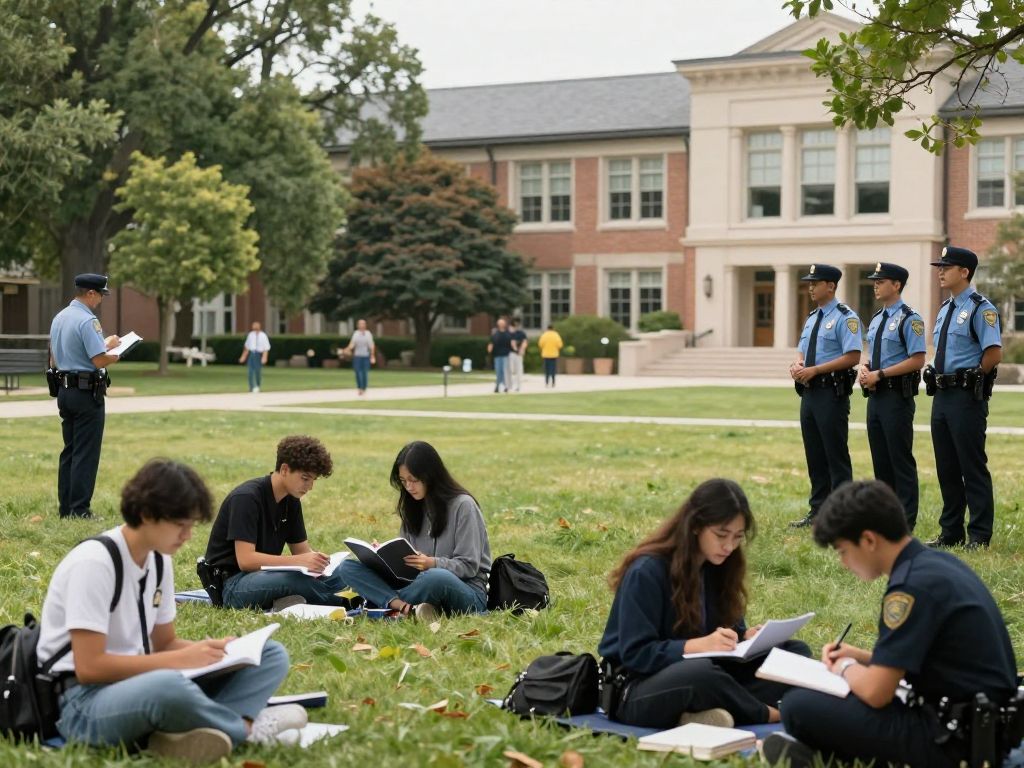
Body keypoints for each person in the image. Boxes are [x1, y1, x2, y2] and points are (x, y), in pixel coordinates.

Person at [36, 458, 307, 764]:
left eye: (191, 525)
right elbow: (89, 667)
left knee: (271, 655)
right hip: (82, 703)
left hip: (138, 684)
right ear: (147, 514)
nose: (188, 536)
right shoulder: (94, 563)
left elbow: (164, 644)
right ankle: (246, 729)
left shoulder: (158, 560)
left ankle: (189, 732)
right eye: (181, 525)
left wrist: (210, 651)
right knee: (166, 685)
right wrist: (178, 660)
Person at [762, 480, 1017, 768]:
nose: (844, 563)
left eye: (843, 550)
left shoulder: (909, 588)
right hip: (979, 725)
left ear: (869, 540)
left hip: (951, 740)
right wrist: (863, 658)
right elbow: (929, 662)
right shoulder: (936, 565)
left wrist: (845, 667)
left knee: (799, 706)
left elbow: (876, 693)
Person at [598, 478, 811, 730]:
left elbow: (725, 634)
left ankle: (704, 712)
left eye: (737, 537)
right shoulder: (647, 571)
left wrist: (745, 637)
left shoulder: (720, 565)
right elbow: (637, 654)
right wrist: (697, 646)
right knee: (701, 675)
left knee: (793, 652)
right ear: (696, 525)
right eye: (721, 535)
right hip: (637, 688)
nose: (729, 546)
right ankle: (766, 714)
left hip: (707, 671)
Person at [338, 440, 491, 621]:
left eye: (413, 480)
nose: (408, 487)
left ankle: (382, 603)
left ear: (431, 476)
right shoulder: (413, 506)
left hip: (464, 591)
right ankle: (405, 608)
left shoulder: (463, 506)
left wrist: (431, 563)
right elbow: (406, 565)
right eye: (403, 481)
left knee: (435, 577)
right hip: (415, 586)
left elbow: (469, 566)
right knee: (347, 567)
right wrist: (382, 558)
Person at [204, 435, 355, 611]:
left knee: (348, 567)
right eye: (305, 478)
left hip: (268, 576)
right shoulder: (246, 498)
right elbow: (246, 560)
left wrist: (318, 562)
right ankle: (346, 603)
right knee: (293, 580)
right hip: (233, 585)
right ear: (284, 469)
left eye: (314, 480)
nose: (310, 486)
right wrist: (299, 561)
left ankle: (300, 598)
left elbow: (301, 551)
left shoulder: (291, 500)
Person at [924, 246, 1002, 549]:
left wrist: (974, 376)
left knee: (971, 465)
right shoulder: (946, 309)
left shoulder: (982, 308)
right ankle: (951, 531)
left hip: (966, 396)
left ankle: (979, 534)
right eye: (939, 266)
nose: (940, 271)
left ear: (965, 272)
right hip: (942, 395)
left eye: (947, 266)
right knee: (947, 466)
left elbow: (993, 352)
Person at [788, 264, 863, 529]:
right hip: (809, 392)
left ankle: (843, 514)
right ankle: (818, 510)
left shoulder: (846, 317)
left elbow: (853, 355)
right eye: (809, 282)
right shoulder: (812, 317)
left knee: (835, 454)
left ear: (830, 286)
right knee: (815, 454)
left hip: (831, 392)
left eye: (815, 282)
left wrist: (816, 370)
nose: (810, 286)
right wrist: (797, 365)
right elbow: (801, 349)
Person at [857, 262, 926, 530]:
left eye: (881, 280)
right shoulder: (876, 318)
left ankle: (905, 521)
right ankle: (885, 518)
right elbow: (873, 353)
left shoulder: (910, 318)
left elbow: (918, 359)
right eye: (874, 280)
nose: (875, 284)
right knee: (881, 460)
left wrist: (881, 374)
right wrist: (865, 367)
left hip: (897, 397)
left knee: (900, 460)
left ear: (896, 285)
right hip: (875, 397)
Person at [49, 273, 122, 519]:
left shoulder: (60, 317)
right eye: (101, 294)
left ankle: (66, 508)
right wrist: (116, 353)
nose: (101, 299)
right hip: (85, 392)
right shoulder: (88, 320)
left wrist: (105, 343)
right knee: (86, 453)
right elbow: (98, 359)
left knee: (69, 451)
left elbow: (57, 356)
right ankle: (80, 510)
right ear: (90, 293)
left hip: (64, 390)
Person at [343, 318, 376, 396]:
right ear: (358, 325)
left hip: (365, 356)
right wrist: (347, 349)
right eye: (360, 324)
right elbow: (352, 344)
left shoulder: (368, 334)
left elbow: (371, 346)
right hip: (357, 356)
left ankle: (364, 388)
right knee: (358, 372)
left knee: (364, 372)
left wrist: (372, 356)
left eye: (363, 324)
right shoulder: (356, 334)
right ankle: (359, 388)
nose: (361, 325)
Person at [238, 322, 270, 393]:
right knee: (250, 371)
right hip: (252, 354)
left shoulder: (263, 335)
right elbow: (247, 347)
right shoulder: (250, 335)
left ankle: (258, 385)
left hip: (259, 354)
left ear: (259, 327)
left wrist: (264, 357)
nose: (254, 328)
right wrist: (243, 357)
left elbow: (266, 348)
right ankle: (251, 387)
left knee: (258, 371)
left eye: (256, 327)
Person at [487, 317, 512, 393]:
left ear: (504, 324)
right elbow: (491, 343)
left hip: (505, 355)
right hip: (497, 355)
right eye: (499, 323)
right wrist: (489, 349)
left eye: (502, 323)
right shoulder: (495, 334)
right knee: (498, 371)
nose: (501, 324)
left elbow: (511, 344)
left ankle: (505, 386)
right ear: (498, 324)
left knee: (504, 371)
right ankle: (498, 386)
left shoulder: (508, 334)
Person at [537, 323, 564, 388]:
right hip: (554, 355)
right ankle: (553, 382)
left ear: (547, 328)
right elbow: (560, 345)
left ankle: (546, 382)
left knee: (547, 369)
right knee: (553, 369)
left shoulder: (544, 335)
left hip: (546, 354)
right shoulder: (556, 335)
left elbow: (540, 344)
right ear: (553, 328)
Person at [508, 317, 528, 392]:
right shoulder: (509, 333)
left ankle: (518, 386)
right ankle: (510, 385)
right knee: (511, 370)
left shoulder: (521, 333)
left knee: (519, 370)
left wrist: (522, 350)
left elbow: (524, 342)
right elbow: (511, 343)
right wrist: (515, 349)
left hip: (519, 354)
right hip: (511, 353)